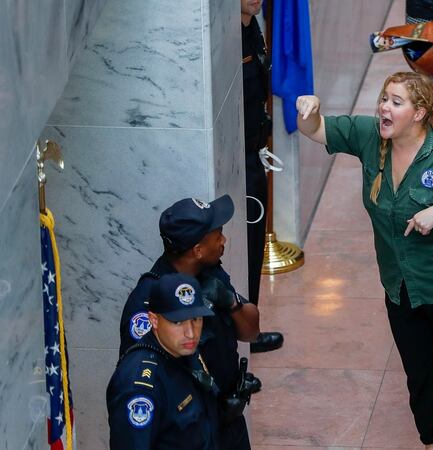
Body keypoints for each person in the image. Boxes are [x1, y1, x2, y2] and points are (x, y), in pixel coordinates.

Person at [295, 72, 433, 450]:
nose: (384, 107)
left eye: (396, 102)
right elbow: (315, 130)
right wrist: (308, 110)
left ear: (419, 114)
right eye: (384, 98)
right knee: (420, 378)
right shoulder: (371, 137)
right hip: (401, 288)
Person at [118, 195, 270, 450]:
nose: (224, 240)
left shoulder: (211, 273)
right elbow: (143, 379)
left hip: (229, 424)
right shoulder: (148, 304)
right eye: (218, 234)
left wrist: (231, 302)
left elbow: (252, 331)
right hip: (188, 434)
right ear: (197, 250)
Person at [107, 273, 218, 449]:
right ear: (154, 320)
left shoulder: (182, 351)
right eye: (178, 322)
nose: (190, 332)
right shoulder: (140, 386)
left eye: (196, 319)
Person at [241, 0, 271, 307]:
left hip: (254, 151)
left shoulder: (252, 27)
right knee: (245, 245)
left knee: (254, 243)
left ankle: (250, 323)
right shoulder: (229, 36)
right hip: (238, 158)